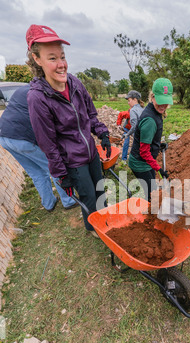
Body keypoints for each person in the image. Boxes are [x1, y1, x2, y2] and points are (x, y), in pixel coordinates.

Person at [25, 24, 111, 236]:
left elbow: (91, 114)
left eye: (62, 57)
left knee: (100, 190)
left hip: (90, 152)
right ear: (37, 59)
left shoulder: (74, 82)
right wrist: (61, 174)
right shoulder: (38, 98)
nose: (61, 64)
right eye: (52, 58)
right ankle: (94, 229)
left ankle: (108, 220)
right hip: (73, 160)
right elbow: (48, 143)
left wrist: (102, 133)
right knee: (89, 196)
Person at [0, 84, 76, 212]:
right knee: (54, 167)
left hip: (4, 137)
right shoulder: (43, 94)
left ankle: (49, 203)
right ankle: (69, 201)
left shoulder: (23, 89)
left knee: (36, 172)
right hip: (23, 137)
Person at [128, 79, 173, 201]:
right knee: (152, 195)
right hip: (140, 163)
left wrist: (158, 145)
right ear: (152, 97)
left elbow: (149, 139)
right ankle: (150, 215)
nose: (163, 106)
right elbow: (144, 152)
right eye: (160, 102)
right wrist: (159, 169)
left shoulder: (155, 112)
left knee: (152, 189)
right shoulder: (150, 121)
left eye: (166, 102)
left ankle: (151, 206)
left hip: (145, 161)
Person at [121, 90, 144, 163]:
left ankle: (126, 161)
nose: (128, 103)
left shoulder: (133, 110)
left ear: (135, 99)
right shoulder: (142, 109)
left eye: (129, 100)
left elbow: (134, 126)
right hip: (140, 133)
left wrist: (127, 134)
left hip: (135, 132)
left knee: (134, 147)